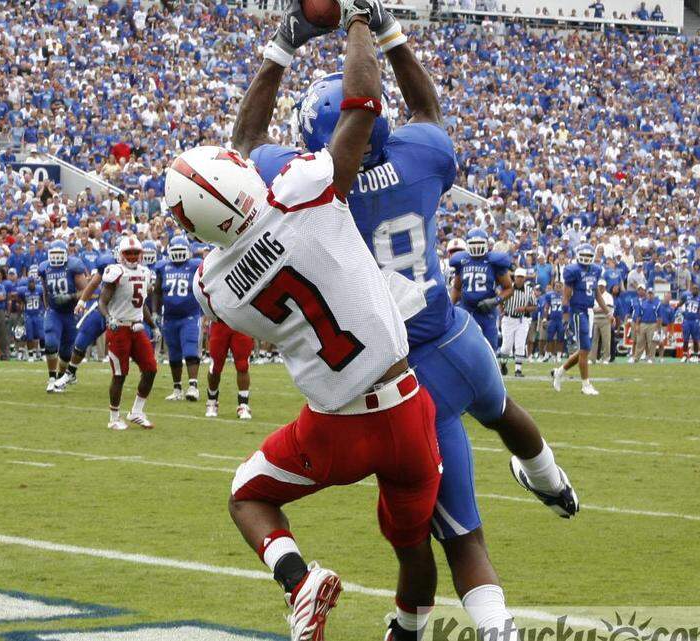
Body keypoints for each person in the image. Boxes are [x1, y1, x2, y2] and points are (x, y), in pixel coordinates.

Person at [239, 4, 577, 638]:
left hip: (403, 377)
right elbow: (428, 113)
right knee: (504, 413)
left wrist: (283, 47)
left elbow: (250, 144)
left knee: (452, 536)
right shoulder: (421, 155)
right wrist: (385, 32)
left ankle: (465, 627)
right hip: (455, 335)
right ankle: (553, 483)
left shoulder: (315, 191)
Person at [168, 5, 444, 639]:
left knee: (248, 495)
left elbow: (243, 149)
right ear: (241, 181)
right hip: (402, 403)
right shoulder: (302, 188)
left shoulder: (216, 287)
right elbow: (363, 103)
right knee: (411, 545)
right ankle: (407, 630)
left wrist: (282, 47)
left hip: (332, 429)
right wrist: (356, 23)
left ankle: (299, 579)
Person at [98, 235, 158, 430]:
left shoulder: (146, 272)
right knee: (120, 374)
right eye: (128, 253)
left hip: (137, 327)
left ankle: (137, 411)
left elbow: (142, 305)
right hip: (119, 328)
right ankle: (114, 417)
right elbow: (102, 302)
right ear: (121, 254)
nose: (132, 256)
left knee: (150, 369)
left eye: (135, 253)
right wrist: (109, 318)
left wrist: (154, 325)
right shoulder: (116, 272)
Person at [53, 244, 117, 391]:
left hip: (125, 311)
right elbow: (94, 282)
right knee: (82, 338)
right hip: (104, 307)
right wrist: (82, 301)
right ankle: (70, 373)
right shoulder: (108, 263)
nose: (129, 257)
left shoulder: (137, 270)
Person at [155, 236, 204, 402]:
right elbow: (156, 291)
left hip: (189, 316)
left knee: (190, 349)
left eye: (181, 251)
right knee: (174, 354)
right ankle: (177, 388)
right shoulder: (162, 267)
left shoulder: (195, 266)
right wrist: (155, 312)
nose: (178, 255)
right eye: (175, 252)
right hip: (169, 318)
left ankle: (193, 387)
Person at [552, 244, 604, 394]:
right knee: (585, 349)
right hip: (578, 311)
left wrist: (607, 312)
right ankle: (585, 385)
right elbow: (566, 296)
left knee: (584, 350)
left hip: (589, 311)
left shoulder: (595, 270)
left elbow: (596, 294)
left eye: (589, 256)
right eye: (585, 256)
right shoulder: (572, 271)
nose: (587, 259)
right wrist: (566, 316)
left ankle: (559, 372)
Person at [449, 228, 513, 351]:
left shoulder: (494, 261)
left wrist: (495, 301)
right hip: (466, 309)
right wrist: (450, 306)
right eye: (473, 244)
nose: (477, 247)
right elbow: (457, 288)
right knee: (464, 347)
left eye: (480, 243)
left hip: (487, 312)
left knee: (489, 348)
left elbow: (509, 289)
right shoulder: (462, 261)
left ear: (487, 244)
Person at [37, 239, 87, 392]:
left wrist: (70, 297)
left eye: (60, 254)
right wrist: (47, 308)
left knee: (66, 352)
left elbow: (86, 292)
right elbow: (45, 290)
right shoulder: (44, 267)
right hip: (55, 312)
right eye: (54, 254)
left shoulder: (74, 266)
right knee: (50, 342)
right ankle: (51, 378)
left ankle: (60, 378)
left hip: (71, 313)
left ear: (66, 253)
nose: (57, 257)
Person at [205, 319, 256, 420]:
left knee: (243, 365)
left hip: (242, 323)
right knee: (215, 367)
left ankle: (243, 405)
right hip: (220, 322)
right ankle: (212, 401)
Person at [498, 268, 535, 377]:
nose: (519, 279)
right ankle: (503, 364)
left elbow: (534, 306)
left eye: (521, 277)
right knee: (506, 347)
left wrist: (524, 309)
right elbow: (500, 300)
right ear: (514, 277)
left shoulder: (529, 290)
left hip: (522, 319)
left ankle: (518, 370)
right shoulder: (508, 288)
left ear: (524, 278)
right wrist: (502, 310)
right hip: (508, 318)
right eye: (518, 277)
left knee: (520, 344)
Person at [17, 274, 47, 362]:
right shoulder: (23, 291)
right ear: (27, 283)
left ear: (35, 282)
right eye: (30, 283)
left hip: (38, 314)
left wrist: (45, 309)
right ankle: (30, 355)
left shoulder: (40, 289)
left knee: (42, 336)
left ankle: (43, 354)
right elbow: (16, 297)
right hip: (28, 315)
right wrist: (21, 303)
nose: (31, 284)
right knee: (29, 336)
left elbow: (44, 297)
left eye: (32, 282)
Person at [629, 286, 659, 363]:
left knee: (651, 343)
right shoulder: (642, 303)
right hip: (643, 324)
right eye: (649, 294)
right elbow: (639, 315)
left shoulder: (657, 303)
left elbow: (659, 317)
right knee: (639, 341)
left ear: (654, 294)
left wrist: (657, 328)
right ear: (647, 294)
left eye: (651, 294)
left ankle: (651, 358)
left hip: (652, 324)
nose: (650, 295)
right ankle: (636, 358)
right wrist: (637, 325)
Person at [590, 280, 615, 364]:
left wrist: (598, 309)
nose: (601, 287)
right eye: (599, 286)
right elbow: (593, 308)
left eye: (602, 286)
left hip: (605, 319)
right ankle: (592, 358)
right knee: (594, 340)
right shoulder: (594, 295)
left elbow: (607, 308)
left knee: (606, 340)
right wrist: (601, 309)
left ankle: (606, 358)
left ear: (605, 287)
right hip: (596, 319)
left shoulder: (608, 296)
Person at [679, 284, 700, 362]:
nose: (695, 290)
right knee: (685, 339)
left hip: (695, 321)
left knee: (696, 339)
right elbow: (680, 304)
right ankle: (684, 355)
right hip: (687, 320)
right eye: (694, 288)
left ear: (699, 290)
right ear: (691, 289)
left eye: (696, 289)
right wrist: (681, 311)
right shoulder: (686, 296)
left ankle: (695, 355)